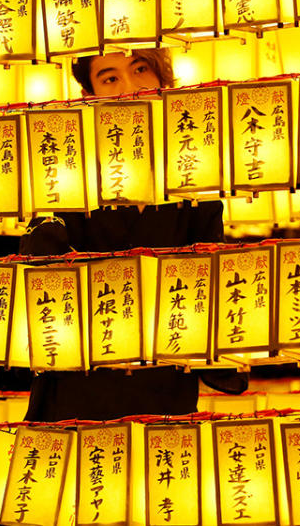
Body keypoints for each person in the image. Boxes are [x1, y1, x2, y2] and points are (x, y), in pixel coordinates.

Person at [21, 48, 247, 422]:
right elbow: (40, 280)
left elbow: (211, 288)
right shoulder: (65, 171)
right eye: (110, 78)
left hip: (163, 400)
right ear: (90, 96)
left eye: (140, 69)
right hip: (76, 400)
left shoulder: (195, 182)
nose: (130, 87)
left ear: (163, 79)